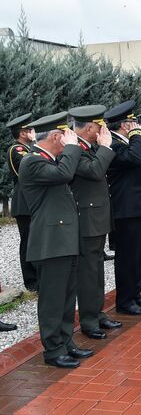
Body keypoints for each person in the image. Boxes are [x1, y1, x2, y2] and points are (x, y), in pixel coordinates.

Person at [19, 112, 93, 368]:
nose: (69, 138)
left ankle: (65, 341)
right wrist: (73, 147)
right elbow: (64, 174)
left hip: (64, 239)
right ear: (55, 135)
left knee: (66, 296)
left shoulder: (50, 159)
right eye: (65, 134)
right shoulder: (32, 161)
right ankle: (52, 350)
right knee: (52, 299)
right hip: (50, 242)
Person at [68, 106, 122, 339]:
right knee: (88, 271)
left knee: (97, 268)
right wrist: (106, 147)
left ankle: (97, 313)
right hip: (86, 219)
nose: (104, 129)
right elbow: (95, 171)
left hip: (97, 217)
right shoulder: (73, 150)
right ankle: (89, 320)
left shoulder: (88, 148)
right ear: (90, 127)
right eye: (100, 126)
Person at [105, 101, 141, 316]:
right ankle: (125, 301)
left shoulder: (126, 143)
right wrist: (136, 136)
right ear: (124, 125)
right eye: (133, 122)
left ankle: (135, 294)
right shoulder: (115, 145)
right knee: (126, 258)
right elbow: (135, 158)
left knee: (136, 256)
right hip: (125, 210)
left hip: (137, 208)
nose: (136, 125)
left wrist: (134, 137)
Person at [5, 113, 37, 293]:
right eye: (30, 129)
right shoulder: (16, 150)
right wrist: (34, 144)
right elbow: (28, 168)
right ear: (23, 133)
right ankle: (31, 280)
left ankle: (38, 273)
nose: (33, 132)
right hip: (24, 202)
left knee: (37, 239)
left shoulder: (28, 147)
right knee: (28, 241)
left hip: (33, 201)